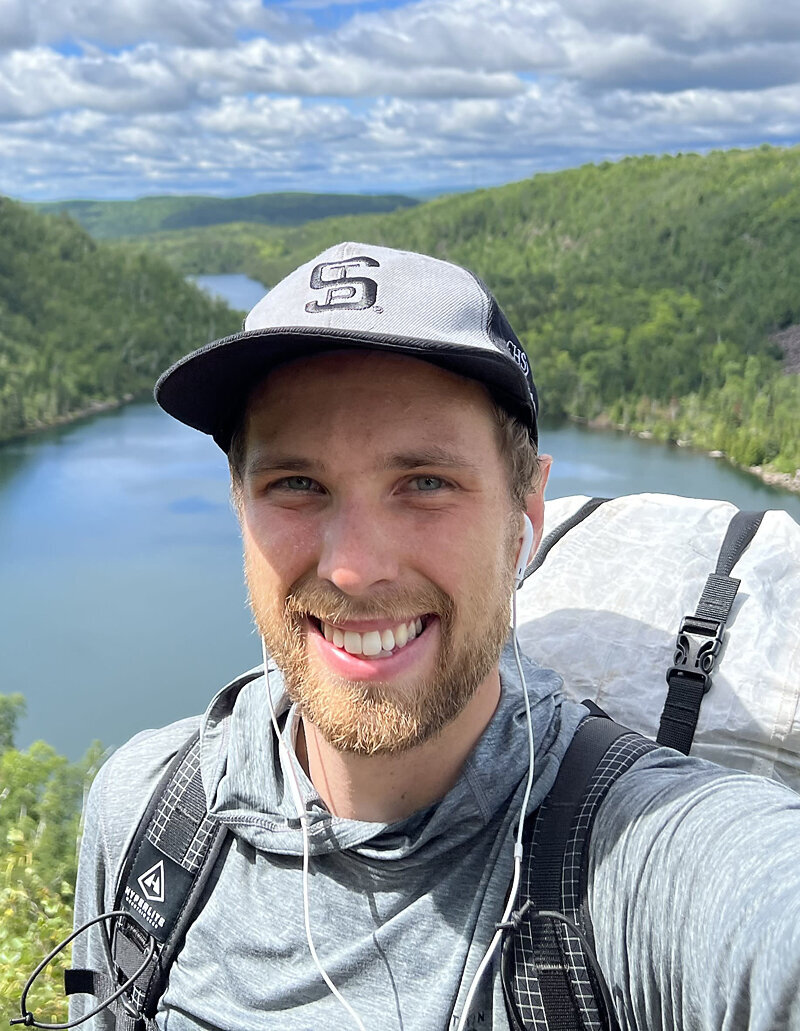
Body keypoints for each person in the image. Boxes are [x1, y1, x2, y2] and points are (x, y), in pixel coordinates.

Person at [70, 242, 800, 1031]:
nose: (355, 568)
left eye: (425, 482)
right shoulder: (146, 814)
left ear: (526, 509)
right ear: (240, 507)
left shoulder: (646, 856)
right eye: (296, 484)